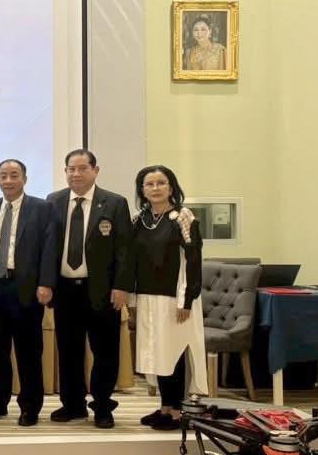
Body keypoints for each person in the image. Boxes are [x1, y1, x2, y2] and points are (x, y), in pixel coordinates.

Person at [47, 149, 132, 429]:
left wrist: (121, 286)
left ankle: (102, 406)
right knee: (68, 351)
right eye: (71, 169)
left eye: (83, 168)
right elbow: (48, 247)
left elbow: (124, 249)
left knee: (105, 352)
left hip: (102, 291)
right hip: (65, 290)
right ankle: (73, 405)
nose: (76, 174)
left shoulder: (114, 203)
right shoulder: (54, 201)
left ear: (95, 170)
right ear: (65, 172)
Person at [0, 159, 58, 426]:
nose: (9, 180)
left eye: (14, 175)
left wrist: (46, 283)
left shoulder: (41, 208)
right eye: (3, 175)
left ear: (25, 178)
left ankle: (30, 406)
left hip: (26, 289)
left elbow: (50, 248)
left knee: (28, 352)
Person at [129, 165, 206, 431]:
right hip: (148, 297)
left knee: (175, 352)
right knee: (157, 354)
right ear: (142, 190)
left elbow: (192, 260)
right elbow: (131, 260)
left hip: (176, 298)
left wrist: (186, 299)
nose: (155, 188)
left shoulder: (183, 216)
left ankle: (176, 411)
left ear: (171, 187)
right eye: (149, 184)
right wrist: (133, 299)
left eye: (161, 183)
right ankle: (164, 407)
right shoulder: (139, 219)